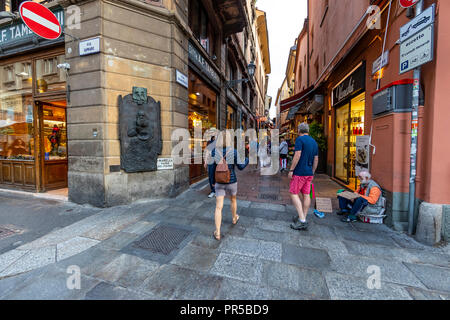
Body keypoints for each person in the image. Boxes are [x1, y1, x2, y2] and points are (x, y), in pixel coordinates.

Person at [211, 132, 249, 241]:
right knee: (233, 200)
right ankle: (234, 218)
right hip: (232, 181)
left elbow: (212, 169)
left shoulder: (214, 152)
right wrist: (247, 159)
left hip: (219, 181)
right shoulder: (233, 151)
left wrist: (213, 182)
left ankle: (217, 232)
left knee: (218, 207)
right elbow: (241, 167)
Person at [288, 122, 319, 231]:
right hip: (309, 172)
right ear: (308, 131)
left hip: (299, 172)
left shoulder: (299, 140)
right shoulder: (314, 142)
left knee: (293, 193)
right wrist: (313, 171)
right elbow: (316, 159)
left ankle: (302, 220)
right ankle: (303, 217)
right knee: (306, 194)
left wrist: (291, 169)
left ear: (299, 130)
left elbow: (297, 155)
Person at [204, 131, 217, 198]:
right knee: (211, 176)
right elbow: (207, 152)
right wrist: (205, 161)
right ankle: (213, 191)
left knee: (218, 176)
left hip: (218, 161)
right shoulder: (209, 142)